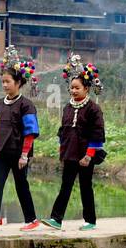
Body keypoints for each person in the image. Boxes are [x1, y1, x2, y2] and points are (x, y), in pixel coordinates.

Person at [43, 54, 105, 230]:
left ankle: (90, 221)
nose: (73, 91)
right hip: (70, 153)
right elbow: (63, 131)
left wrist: (89, 155)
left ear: (86, 88)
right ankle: (56, 219)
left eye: (77, 88)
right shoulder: (68, 107)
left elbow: (97, 133)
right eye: (71, 88)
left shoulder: (94, 109)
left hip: (86, 155)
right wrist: (61, 149)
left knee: (86, 187)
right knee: (66, 186)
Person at [0, 46, 41, 232]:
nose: (5, 85)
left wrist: (24, 155)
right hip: (2, 152)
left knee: (21, 186)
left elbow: (30, 132)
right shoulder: (0, 104)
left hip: (18, 154)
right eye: (3, 82)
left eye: (8, 82)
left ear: (18, 82)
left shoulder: (26, 105)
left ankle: (31, 219)